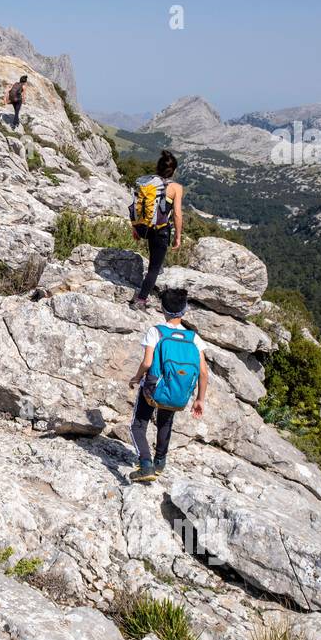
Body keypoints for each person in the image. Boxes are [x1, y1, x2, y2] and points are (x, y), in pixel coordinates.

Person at [126, 288, 208, 482]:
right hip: (177, 391)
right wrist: (200, 399)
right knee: (165, 422)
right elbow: (203, 372)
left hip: (153, 388)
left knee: (138, 426)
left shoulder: (156, 332)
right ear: (185, 309)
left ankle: (145, 464)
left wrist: (137, 378)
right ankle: (160, 462)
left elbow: (147, 363)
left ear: (162, 309)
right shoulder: (193, 338)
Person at [128, 150, 183, 310]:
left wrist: (135, 227)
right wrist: (178, 237)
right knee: (154, 268)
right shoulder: (175, 188)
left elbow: (136, 204)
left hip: (143, 227)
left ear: (158, 168)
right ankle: (141, 300)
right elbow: (177, 215)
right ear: (174, 170)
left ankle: (154, 274)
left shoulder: (147, 182)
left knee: (155, 259)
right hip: (160, 231)